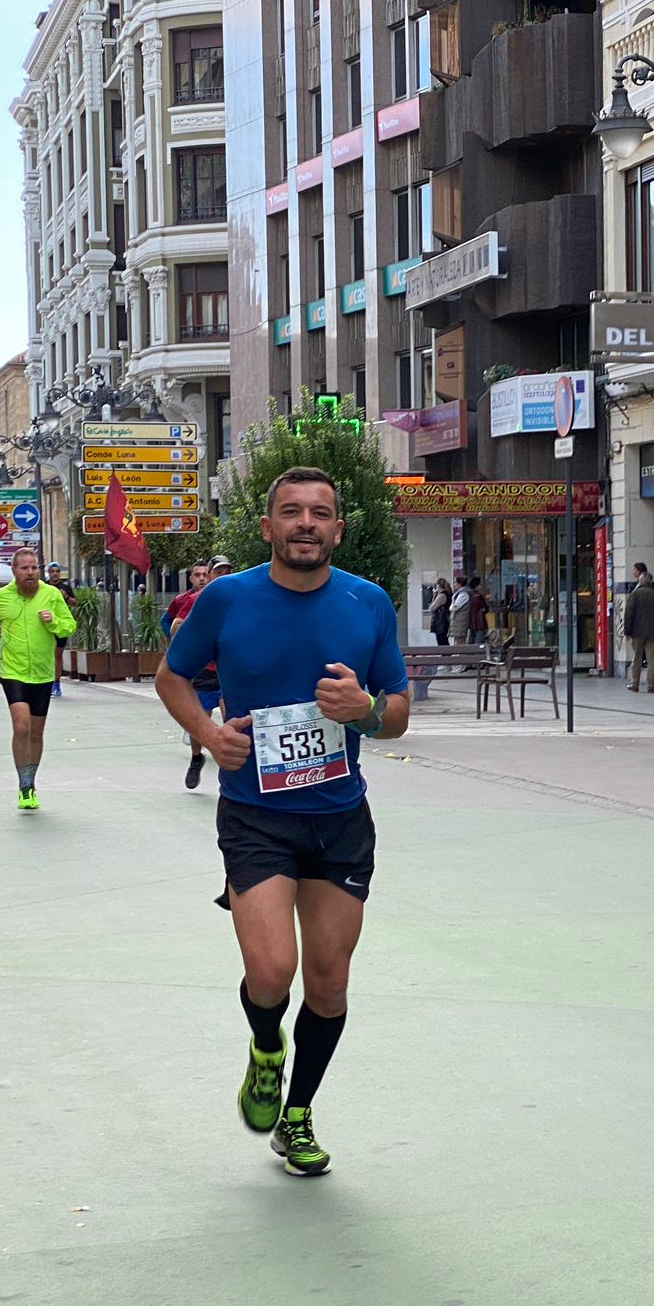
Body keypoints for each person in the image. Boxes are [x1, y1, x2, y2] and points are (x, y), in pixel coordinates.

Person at [156, 465, 411, 1178]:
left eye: (320, 513)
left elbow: (397, 712)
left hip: (339, 818)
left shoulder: (368, 604)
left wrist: (362, 710)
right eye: (292, 512)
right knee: (271, 973)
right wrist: (208, 736)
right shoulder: (225, 599)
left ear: (337, 527)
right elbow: (172, 677)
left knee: (328, 984)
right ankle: (266, 1042)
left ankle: (296, 1116)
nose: (306, 523)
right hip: (256, 814)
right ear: (267, 527)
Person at [0, 546, 78, 811]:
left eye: (34, 567)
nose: (31, 573)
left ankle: (31, 779)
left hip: (43, 672)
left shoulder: (52, 594)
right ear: (15, 571)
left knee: (36, 732)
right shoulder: (2, 596)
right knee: (21, 726)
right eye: (25, 568)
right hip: (13, 670)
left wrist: (53, 621)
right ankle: (24, 786)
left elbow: (69, 625)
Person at [167, 558, 219, 790]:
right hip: (204, 669)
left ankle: (236, 769)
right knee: (200, 721)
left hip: (230, 669)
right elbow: (173, 625)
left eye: (226, 571)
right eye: (216, 572)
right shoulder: (194, 600)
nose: (202, 578)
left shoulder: (239, 596)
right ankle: (197, 758)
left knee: (235, 718)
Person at [622, 565, 654, 693]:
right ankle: (651, 685)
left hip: (637, 633)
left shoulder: (635, 595)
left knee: (637, 658)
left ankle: (635, 683)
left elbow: (629, 614)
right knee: (652, 659)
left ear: (641, 581)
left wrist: (627, 631)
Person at [45, 564, 77, 699]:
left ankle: (56, 684)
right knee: (47, 656)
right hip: (46, 625)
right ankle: (46, 683)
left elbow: (75, 603)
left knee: (57, 655)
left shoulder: (65, 587)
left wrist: (67, 598)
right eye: (52, 571)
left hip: (61, 626)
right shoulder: (43, 587)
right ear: (48, 573)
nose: (55, 574)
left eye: (57, 571)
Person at [464, 575, 488, 644]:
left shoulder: (467, 595)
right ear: (477, 585)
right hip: (480, 621)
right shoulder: (479, 596)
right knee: (479, 641)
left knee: (471, 640)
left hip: (471, 622)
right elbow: (485, 608)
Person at [428, 577, 452, 646]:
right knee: (444, 640)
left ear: (438, 585)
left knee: (441, 641)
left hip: (440, 622)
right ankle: (446, 655)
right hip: (444, 621)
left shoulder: (441, 596)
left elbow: (432, 608)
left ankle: (445, 655)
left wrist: (434, 596)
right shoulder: (447, 594)